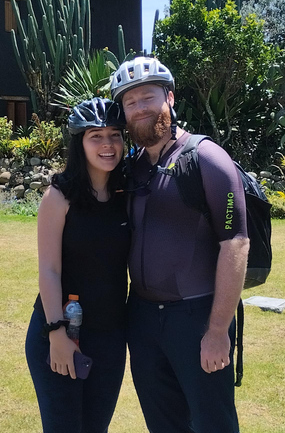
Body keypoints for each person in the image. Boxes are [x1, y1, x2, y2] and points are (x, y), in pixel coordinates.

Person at [110, 56, 249, 433]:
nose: (139, 108)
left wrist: (218, 330)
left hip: (197, 317)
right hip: (140, 318)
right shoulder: (133, 166)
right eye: (130, 102)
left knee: (212, 422)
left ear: (169, 98)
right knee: (163, 422)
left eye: (148, 97)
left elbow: (235, 242)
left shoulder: (207, 158)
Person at [25, 98, 130, 433]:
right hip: (60, 331)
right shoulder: (59, 197)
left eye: (114, 134)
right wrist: (56, 333)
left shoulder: (128, 194)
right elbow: (49, 270)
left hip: (110, 336)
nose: (107, 144)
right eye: (95, 136)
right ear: (79, 142)